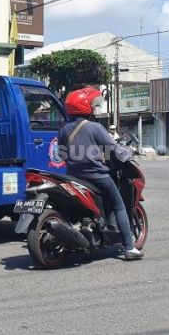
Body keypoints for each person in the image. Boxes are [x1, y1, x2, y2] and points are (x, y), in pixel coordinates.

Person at [58, 87, 144, 260]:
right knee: (119, 205)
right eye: (93, 105)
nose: (94, 108)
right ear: (86, 106)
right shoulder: (94, 128)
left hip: (73, 177)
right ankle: (129, 247)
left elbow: (61, 154)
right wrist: (130, 151)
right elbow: (116, 151)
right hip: (97, 176)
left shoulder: (64, 129)